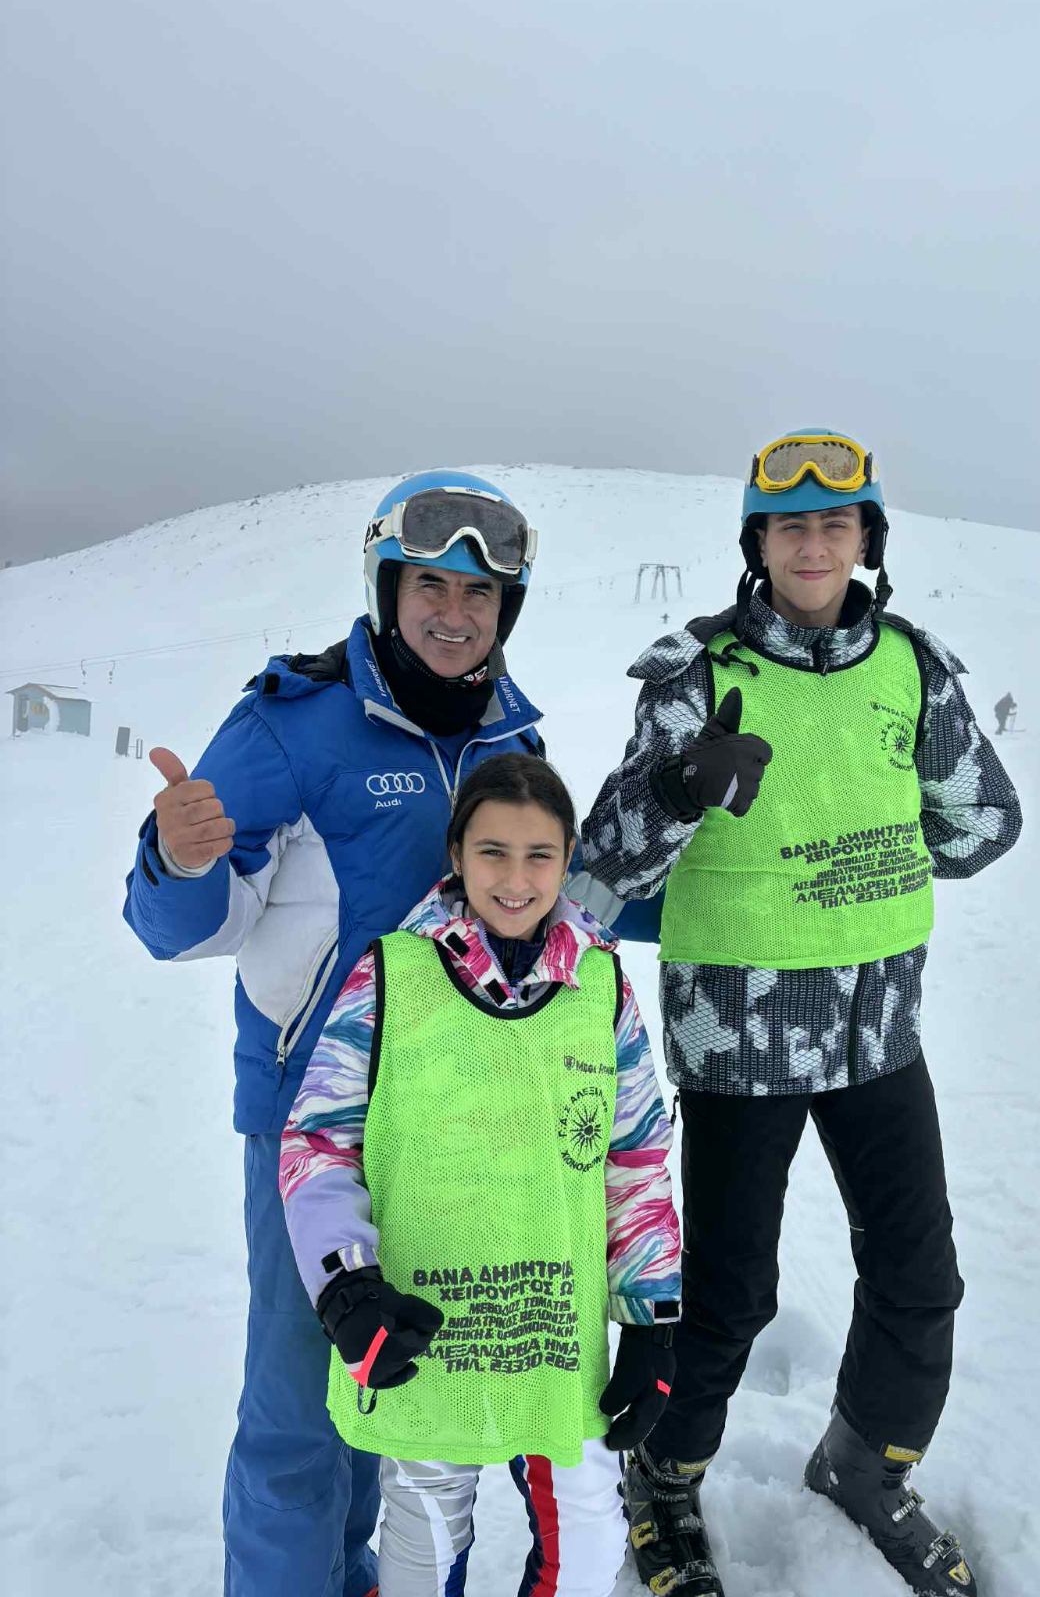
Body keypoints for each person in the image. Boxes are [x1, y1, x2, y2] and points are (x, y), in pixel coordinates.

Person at [575, 430, 1023, 1597]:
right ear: (758, 541)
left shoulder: (912, 669)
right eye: (790, 524)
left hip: (880, 1029)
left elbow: (986, 824)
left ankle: (866, 1464)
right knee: (728, 1296)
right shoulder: (697, 673)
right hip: (740, 1032)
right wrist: (681, 784)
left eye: (836, 522)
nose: (814, 543)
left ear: (867, 538)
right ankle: (664, 1478)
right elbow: (603, 866)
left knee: (920, 1277)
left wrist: (865, 851)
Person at [123, 472, 552, 1597]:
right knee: (295, 1416)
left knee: (393, 1384)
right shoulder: (291, 723)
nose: (454, 612)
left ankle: (356, 1576)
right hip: (308, 1121)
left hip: (451, 1129)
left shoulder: (513, 735)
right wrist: (179, 857)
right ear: (386, 589)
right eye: (430, 586)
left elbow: (551, 911)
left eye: (479, 592)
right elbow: (185, 928)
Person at [280, 752, 681, 1596]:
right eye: (493, 851)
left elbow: (636, 1157)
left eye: (540, 855)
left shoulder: (599, 985)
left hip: (554, 1332)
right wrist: (346, 1286)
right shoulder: (393, 974)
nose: (516, 878)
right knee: (424, 1534)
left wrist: (651, 1320)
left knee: (589, 1536)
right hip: (422, 1331)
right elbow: (318, 1141)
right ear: (456, 854)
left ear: (567, 860)